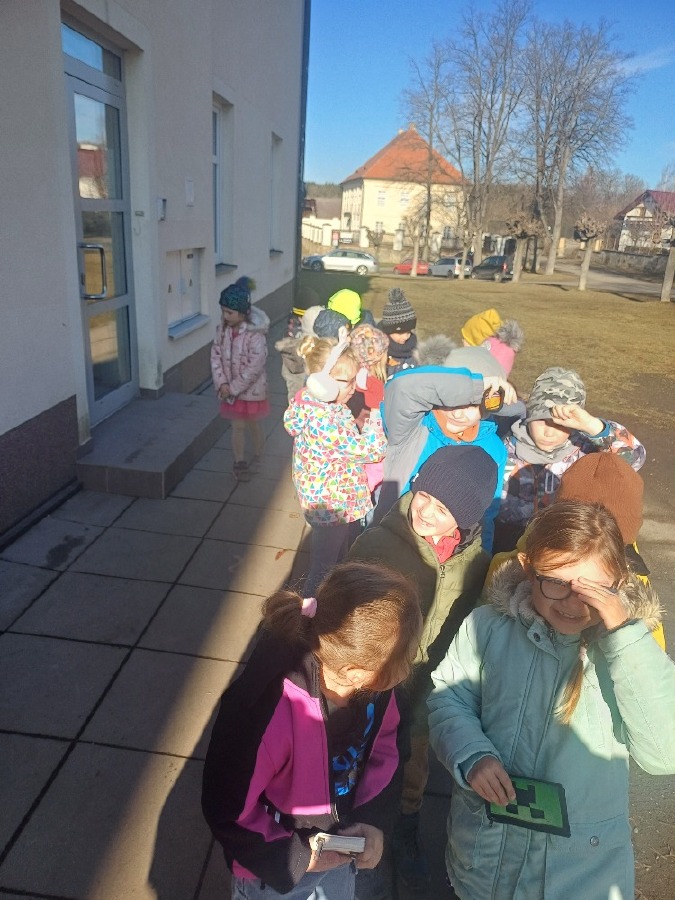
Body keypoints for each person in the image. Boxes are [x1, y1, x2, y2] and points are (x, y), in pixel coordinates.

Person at [428, 500, 675, 900]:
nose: (573, 604)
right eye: (556, 582)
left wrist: (625, 637)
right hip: (485, 861)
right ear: (528, 568)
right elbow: (449, 697)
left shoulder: (630, 654)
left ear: (619, 580)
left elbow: (665, 754)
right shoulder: (487, 627)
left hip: (577, 878)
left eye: (592, 589)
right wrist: (471, 754)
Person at [202, 560, 424, 900]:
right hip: (276, 868)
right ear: (356, 673)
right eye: (406, 660)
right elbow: (226, 806)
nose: (409, 668)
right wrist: (297, 858)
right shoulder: (268, 709)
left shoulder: (377, 690)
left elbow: (388, 749)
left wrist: (373, 820)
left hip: (340, 846)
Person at [349, 444, 498, 894]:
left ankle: (406, 825)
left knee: (414, 762)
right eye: (424, 496)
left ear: (466, 520)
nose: (426, 512)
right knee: (360, 752)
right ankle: (353, 820)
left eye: (443, 509)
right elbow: (346, 607)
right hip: (375, 677)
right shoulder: (377, 543)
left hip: (426, 683)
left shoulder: (476, 564)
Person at [375, 346, 514, 550]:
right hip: (386, 543)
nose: (458, 414)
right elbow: (401, 388)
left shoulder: (493, 449)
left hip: (441, 558)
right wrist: (473, 387)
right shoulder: (411, 428)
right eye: (453, 401)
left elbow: (485, 514)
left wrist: (480, 558)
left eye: (472, 405)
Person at [494, 366, 646, 553]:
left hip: (563, 546)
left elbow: (634, 459)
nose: (549, 432)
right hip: (504, 544)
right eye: (541, 421)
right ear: (529, 416)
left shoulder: (585, 451)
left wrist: (593, 427)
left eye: (559, 424)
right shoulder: (503, 447)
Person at [284, 336, 387, 594]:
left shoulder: (312, 402)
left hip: (329, 495)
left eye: (354, 379)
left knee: (337, 560)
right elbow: (372, 450)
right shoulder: (324, 421)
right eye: (345, 381)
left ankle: (331, 598)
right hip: (333, 504)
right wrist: (376, 413)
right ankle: (310, 610)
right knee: (324, 568)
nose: (353, 387)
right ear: (322, 383)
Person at [211, 276, 270, 482]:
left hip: (251, 392)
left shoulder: (255, 335)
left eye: (229, 312)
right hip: (231, 392)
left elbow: (255, 366)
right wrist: (222, 383)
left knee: (253, 425)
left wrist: (233, 387)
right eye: (223, 311)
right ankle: (239, 461)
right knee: (237, 426)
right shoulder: (222, 331)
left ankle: (260, 455)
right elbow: (215, 356)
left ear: (242, 313)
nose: (225, 316)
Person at [275, 286, 321, 403]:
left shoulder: (290, 329)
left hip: (293, 377)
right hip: (301, 377)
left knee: (294, 399)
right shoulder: (307, 333)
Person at [378, 287, 418, 378]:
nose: (405, 337)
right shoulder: (377, 354)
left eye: (408, 332)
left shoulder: (416, 351)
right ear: (388, 331)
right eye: (400, 333)